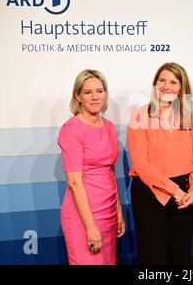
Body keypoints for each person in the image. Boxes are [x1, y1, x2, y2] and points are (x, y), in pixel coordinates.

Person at [127, 62, 193, 265]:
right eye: (162, 80)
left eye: (173, 82)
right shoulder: (139, 115)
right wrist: (175, 191)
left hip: (184, 198)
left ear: (181, 88)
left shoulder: (186, 117)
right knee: (155, 259)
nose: (166, 86)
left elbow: (191, 159)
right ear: (155, 83)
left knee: (180, 257)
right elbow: (141, 164)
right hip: (150, 196)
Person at [57, 69, 125, 265]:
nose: (95, 97)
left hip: (109, 211)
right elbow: (74, 182)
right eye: (88, 92)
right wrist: (90, 227)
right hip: (83, 216)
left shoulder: (110, 126)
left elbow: (110, 171)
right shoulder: (71, 129)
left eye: (100, 91)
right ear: (78, 96)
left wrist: (118, 210)